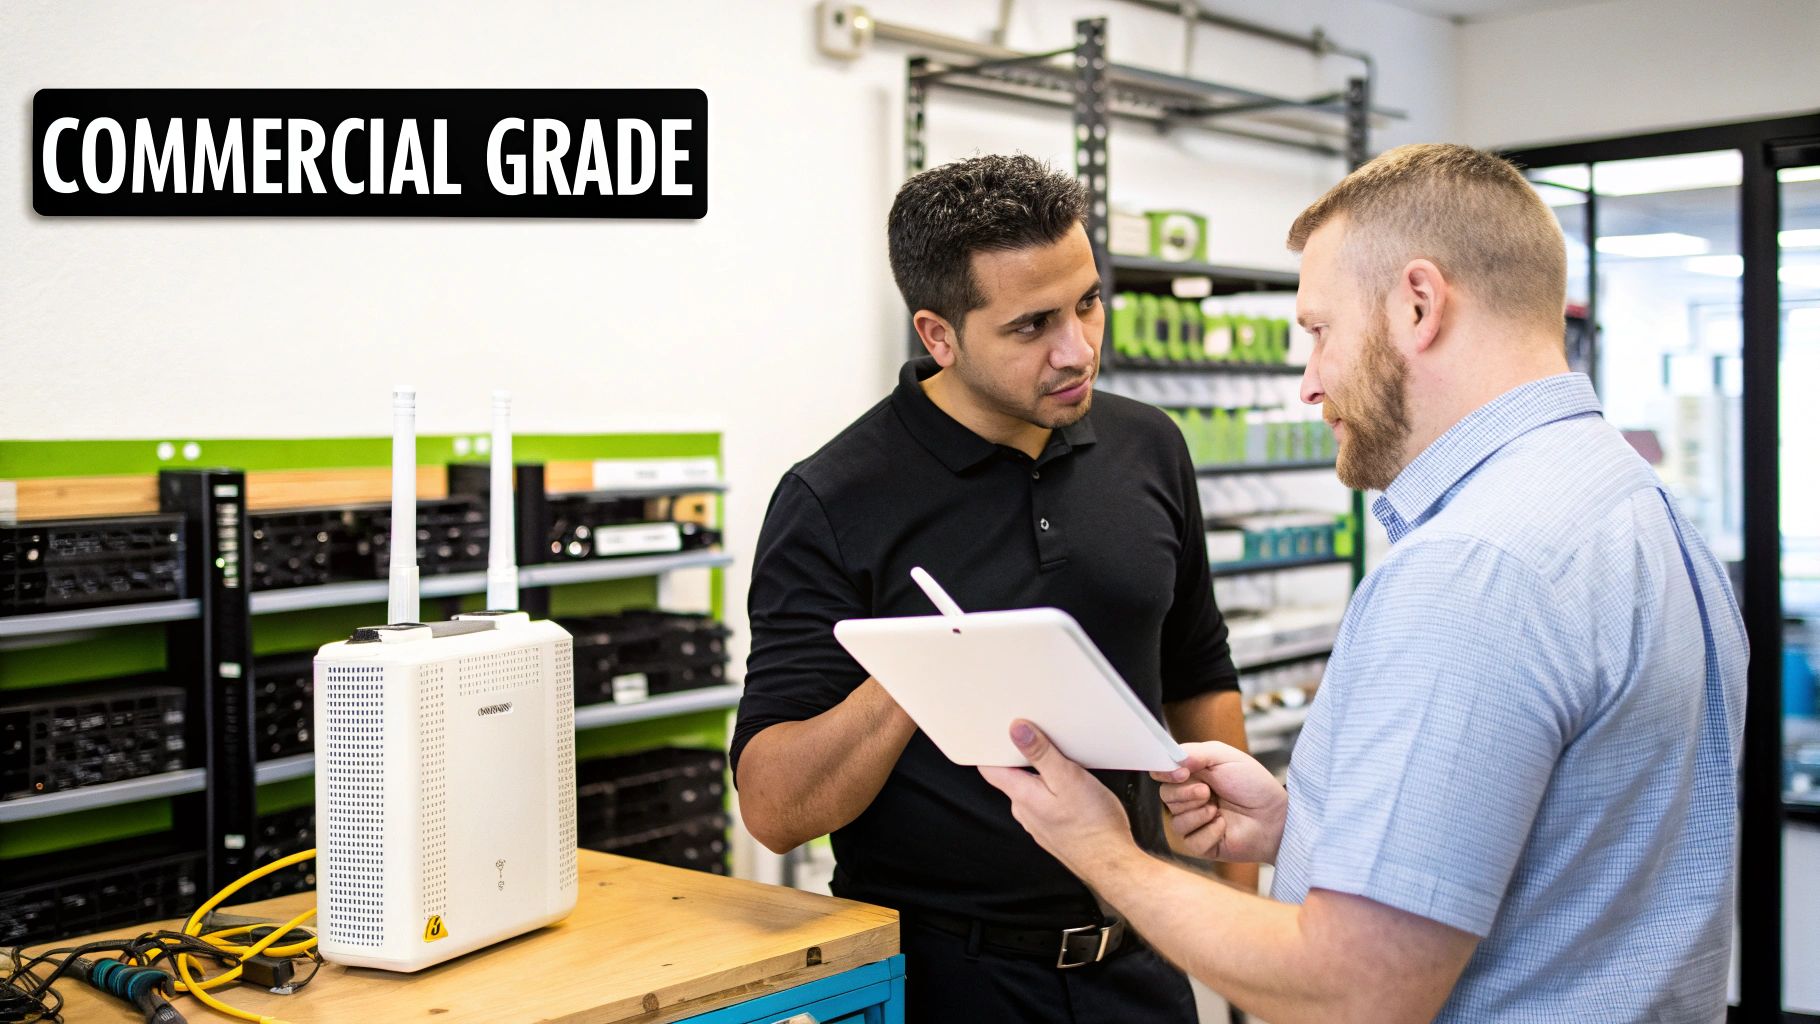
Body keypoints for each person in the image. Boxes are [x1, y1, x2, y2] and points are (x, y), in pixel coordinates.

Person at [982, 142, 1749, 1023]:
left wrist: (1105, 852)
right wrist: (1301, 826)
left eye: (1319, 332)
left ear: (1419, 304)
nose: (1310, 384)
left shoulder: (1471, 570)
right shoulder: (1633, 499)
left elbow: (1356, 992)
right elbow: (1583, 854)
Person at [731, 153, 1254, 1023]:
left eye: (1088, 302)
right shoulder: (833, 498)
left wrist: (1242, 931)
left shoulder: (1149, 446)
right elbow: (775, 808)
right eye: (1031, 325)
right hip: (943, 981)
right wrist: (925, 664)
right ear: (939, 336)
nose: (1077, 349)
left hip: (1143, 960)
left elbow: (1198, 672)